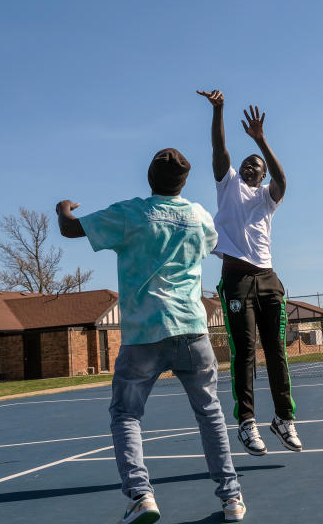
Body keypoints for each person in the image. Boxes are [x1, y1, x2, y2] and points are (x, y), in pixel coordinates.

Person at [56, 148, 246, 524]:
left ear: (149, 179)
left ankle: (141, 496)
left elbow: (70, 228)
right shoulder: (198, 216)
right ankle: (232, 497)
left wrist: (63, 207)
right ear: (184, 183)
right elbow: (210, 244)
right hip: (193, 328)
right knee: (210, 414)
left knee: (126, 414)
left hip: (144, 333)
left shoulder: (131, 213)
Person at [197, 89, 303, 457]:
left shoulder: (268, 198)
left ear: (262, 175)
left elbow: (283, 180)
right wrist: (219, 111)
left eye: (255, 166)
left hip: (269, 279)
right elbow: (219, 151)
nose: (248, 167)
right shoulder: (228, 187)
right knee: (245, 352)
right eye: (246, 164)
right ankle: (246, 422)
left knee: (277, 351)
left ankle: (284, 419)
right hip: (238, 280)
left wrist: (262, 140)